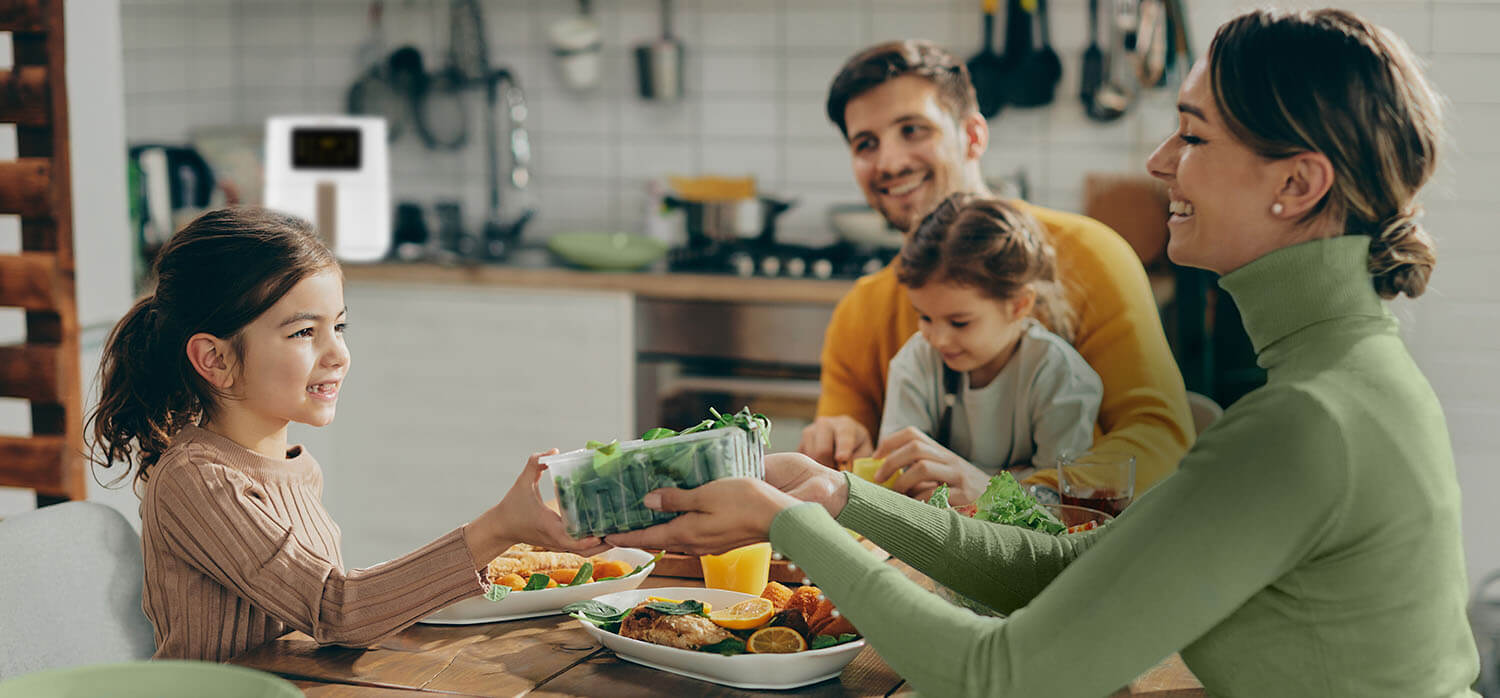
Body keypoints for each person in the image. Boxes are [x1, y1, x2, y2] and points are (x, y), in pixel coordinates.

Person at [610, 9, 1480, 696]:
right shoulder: (1346, 381)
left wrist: (787, 521)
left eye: (1193, 135)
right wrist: (841, 496)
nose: (1159, 161)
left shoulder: (1302, 421)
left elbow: (1003, 677)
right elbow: (1080, 564)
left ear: (1297, 183)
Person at [87, 209, 602, 661]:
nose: (337, 354)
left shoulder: (298, 470)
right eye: (303, 332)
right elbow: (336, 610)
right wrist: (497, 529)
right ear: (215, 359)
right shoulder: (197, 481)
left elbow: (328, 610)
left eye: (339, 327)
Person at [799, 40, 1192, 504]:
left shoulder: (1092, 256)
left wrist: (1006, 498)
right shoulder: (860, 311)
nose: (890, 162)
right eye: (866, 144)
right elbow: (851, 478)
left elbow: (1159, 439)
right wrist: (839, 443)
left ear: (973, 136)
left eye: (913, 129)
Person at [875, 193, 1100, 496]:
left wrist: (984, 490)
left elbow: (1061, 502)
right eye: (925, 317)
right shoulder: (916, 361)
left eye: (960, 323)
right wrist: (1020, 479)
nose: (938, 340)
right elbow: (899, 476)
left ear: (1019, 305)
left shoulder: (1059, 376)